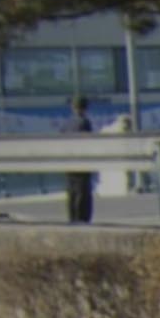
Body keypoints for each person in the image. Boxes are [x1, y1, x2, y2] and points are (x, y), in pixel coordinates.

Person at [64, 94, 94, 224]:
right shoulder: (85, 122)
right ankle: (82, 217)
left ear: (73, 107)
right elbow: (88, 142)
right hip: (81, 161)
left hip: (68, 161)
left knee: (71, 191)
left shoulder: (67, 123)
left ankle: (72, 217)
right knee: (83, 190)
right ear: (85, 108)